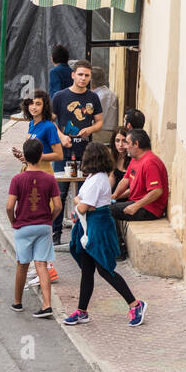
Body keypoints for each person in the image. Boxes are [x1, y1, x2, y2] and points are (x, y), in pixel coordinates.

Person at [64, 144, 145, 327]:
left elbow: (83, 206)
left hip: (97, 227)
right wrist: (80, 202)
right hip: (89, 225)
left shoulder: (98, 179)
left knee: (105, 269)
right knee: (87, 270)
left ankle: (135, 304)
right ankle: (82, 311)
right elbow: (80, 200)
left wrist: (80, 203)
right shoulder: (94, 177)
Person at [50, 59, 105, 243]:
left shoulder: (93, 98)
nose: (83, 78)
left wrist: (89, 129)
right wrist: (61, 136)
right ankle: (55, 233)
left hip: (86, 154)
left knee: (84, 195)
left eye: (86, 75)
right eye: (80, 74)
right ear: (73, 75)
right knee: (60, 193)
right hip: (62, 153)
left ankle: (82, 233)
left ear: (90, 78)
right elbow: (50, 121)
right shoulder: (59, 96)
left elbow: (99, 122)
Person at [7, 138, 61, 319]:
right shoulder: (49, 179)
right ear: (40, 156)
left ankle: (17, 301)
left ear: (25, 156)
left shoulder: (17, 179)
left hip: (23, 225)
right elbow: (58, 205)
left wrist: (13, 220)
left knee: (22, 264)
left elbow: (9, 205)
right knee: (41, 264)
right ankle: (47, 305)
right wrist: (50, 219)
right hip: (43, 226)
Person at [109, 129, 169, 259]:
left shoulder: (150, 162)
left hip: (150, 209)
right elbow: (125, 181)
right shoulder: (135, 159)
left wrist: (136, 206)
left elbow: (157, 191)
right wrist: (113, 196)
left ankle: (119, 250)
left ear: (136, 144)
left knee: (108, 211)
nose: (125, 146)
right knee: (107, 206)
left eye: (127, 143)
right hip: (137, 202)